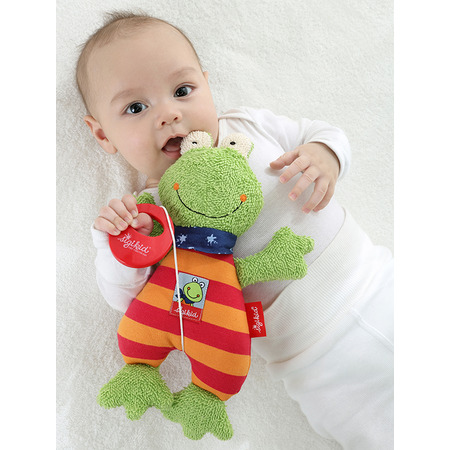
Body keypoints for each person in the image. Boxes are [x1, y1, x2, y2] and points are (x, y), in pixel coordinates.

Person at [76, 11, 394, 450]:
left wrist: (325, 155)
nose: (169, 114)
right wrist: (114, 241)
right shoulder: (149, 215)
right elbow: (127, 299)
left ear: (207, 85)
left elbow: (321, 131)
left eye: (182, 91)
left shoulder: (246, 125)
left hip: (379, 281)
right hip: (311, 361)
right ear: (102, 135)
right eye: (135, 107)